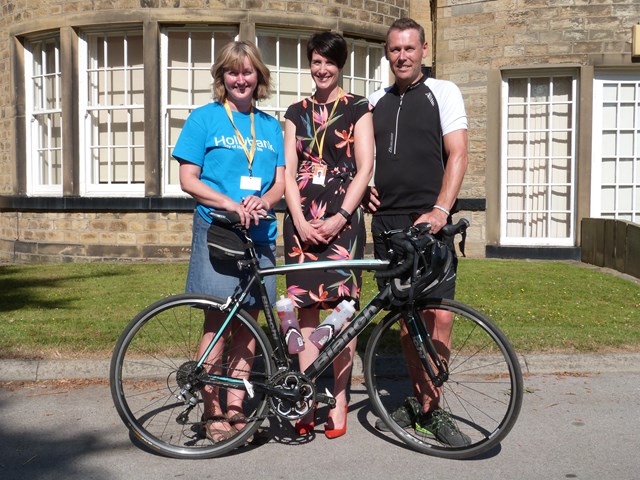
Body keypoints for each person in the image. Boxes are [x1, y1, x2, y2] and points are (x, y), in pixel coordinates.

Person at [172, 41, 285, 443]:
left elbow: (280, 184)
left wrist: (263, 200)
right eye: (233, 72)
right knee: (218, 319)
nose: (241, 79)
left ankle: (236, 404)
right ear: (222, 77)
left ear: (259, 77)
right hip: (218, 232)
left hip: (261, 234)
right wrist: (230, 204)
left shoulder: (271, 127)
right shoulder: (204, 119)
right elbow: (189, 179)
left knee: (249, 323)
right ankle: (212, 408)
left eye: (248, 72)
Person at [367, 18, 470, 447]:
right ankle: (419, 401)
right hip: (388, 224)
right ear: (387, 53)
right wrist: (366, 184)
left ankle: (433, 407)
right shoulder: (374, 101)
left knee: (439, 316)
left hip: (431, 221)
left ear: (423, 50)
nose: (402, 56)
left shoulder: (443, 92)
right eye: (394, 50)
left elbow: (459, 151)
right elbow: (363, 158)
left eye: (409, 48)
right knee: (407, 321)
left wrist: (442, 209)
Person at [282, 32, 374, 439]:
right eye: (316, 61)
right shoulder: (294, 111)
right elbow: (286, 170)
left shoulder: (358, 107)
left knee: (342, 313)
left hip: (342, 222)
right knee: (306, 314)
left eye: (329, 63)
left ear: (341, 66)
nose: (322, 70)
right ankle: (305, 398)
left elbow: (365, 166)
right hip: (302, 220)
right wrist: (299, 220)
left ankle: (338, 402)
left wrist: (339, 217)